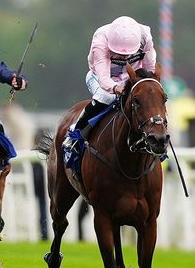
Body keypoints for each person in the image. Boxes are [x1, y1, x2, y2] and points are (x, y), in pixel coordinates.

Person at [61, 16, 157, 164]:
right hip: (100, 78)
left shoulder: (145, 37)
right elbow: (104, 80)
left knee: (148, 100)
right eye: (119, 52)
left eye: (127, 53)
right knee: (107, 97)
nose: (124, 56)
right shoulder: (100, 42)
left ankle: (156, 139)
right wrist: (118, 89)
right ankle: (75, 132)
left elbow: (150, 69)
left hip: (131, 78)